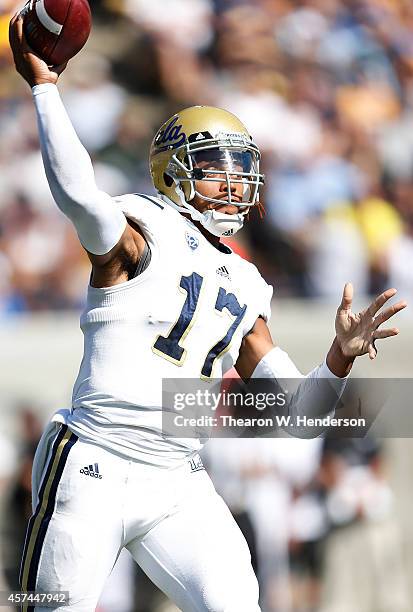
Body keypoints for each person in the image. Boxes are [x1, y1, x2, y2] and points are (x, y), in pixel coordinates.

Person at [9, 13, 407, 612]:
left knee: (236, 602)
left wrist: (338, 359)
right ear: (176, 169)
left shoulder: (245, 280)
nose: (237, 180)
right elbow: (78, 196)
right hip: (97, 454)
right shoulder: (141, 226)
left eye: (243, 168)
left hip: (176, 474)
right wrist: (45, 89)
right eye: (220, 166)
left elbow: (298, 414)